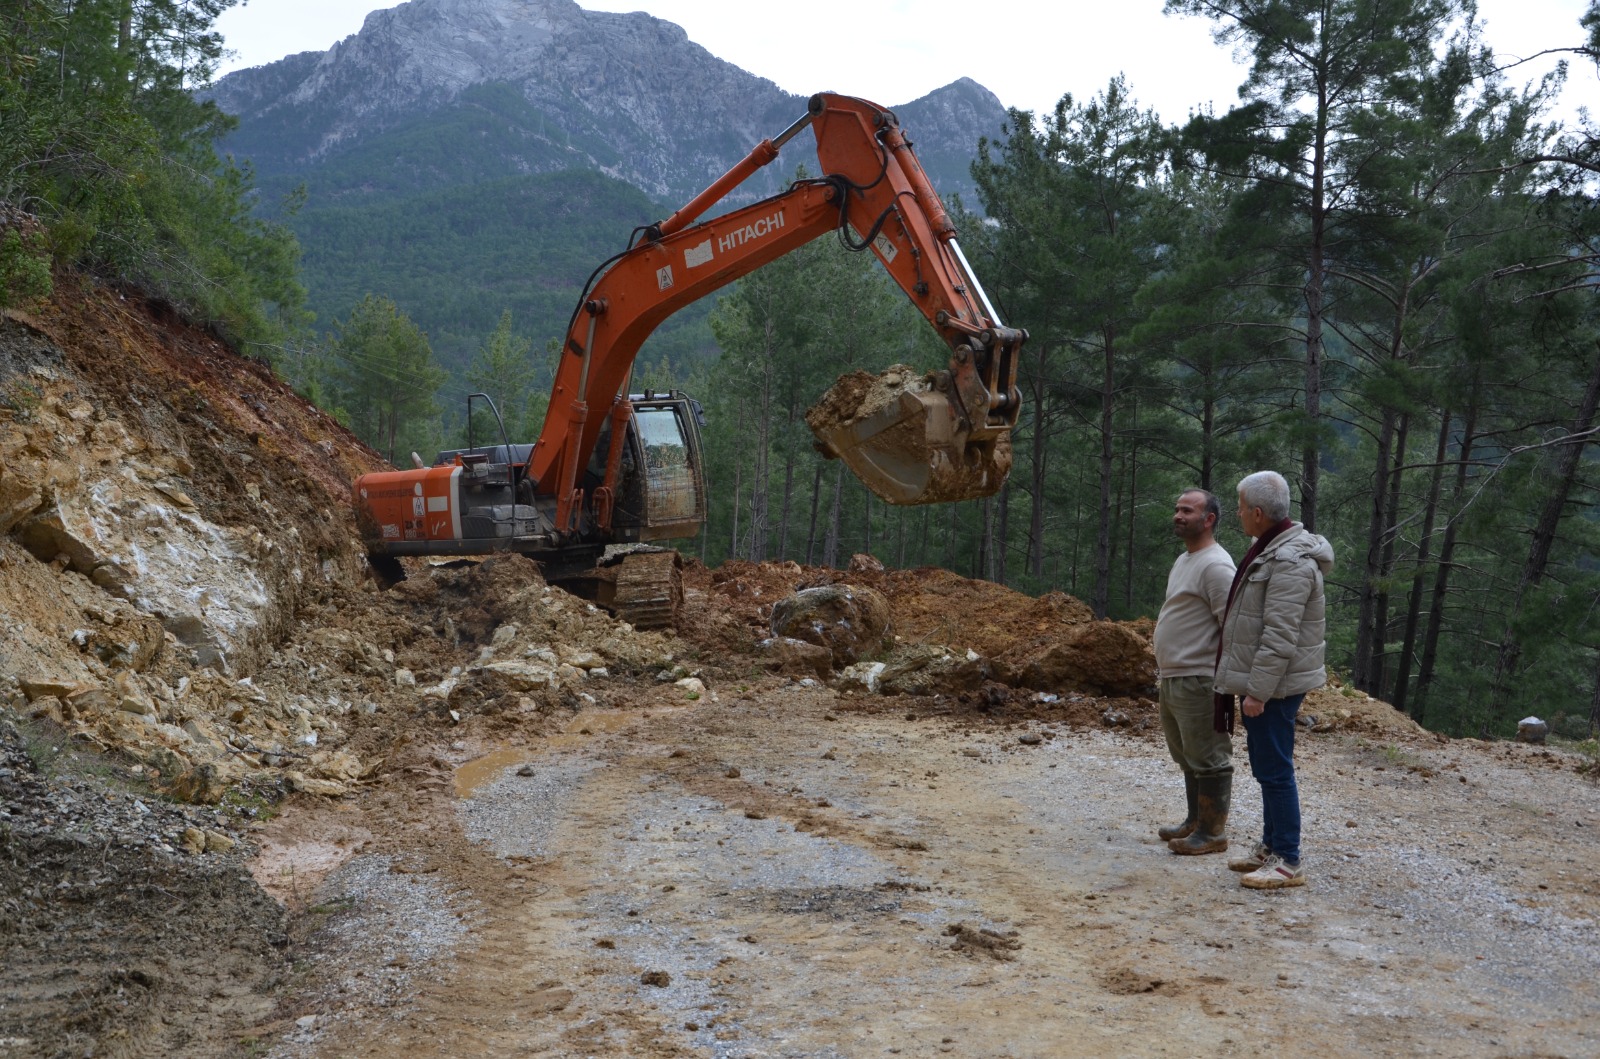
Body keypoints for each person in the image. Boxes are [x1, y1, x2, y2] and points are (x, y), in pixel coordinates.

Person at [1214, 471, 1334, 889]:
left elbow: (1279, 637)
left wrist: (1258, 692)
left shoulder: (1289, 562)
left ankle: (1288, 860)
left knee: (1276, 770)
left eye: (1242, 507)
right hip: (1264, 682)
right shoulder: (1269, 548)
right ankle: (1270, 846)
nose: (1238, 513)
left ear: (1259, 514)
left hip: (1274, 686)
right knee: (1267, 768)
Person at [1152, 489, 1236, 856]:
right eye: (1176, 509)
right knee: (1187, 753)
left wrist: (1229, 679)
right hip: (1174, 675)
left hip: (1201, 677)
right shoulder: (1185, 560)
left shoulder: (1216, 565)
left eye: (1187, 510)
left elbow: (1233, 625)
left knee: (1209, 756)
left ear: (1210, 519)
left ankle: (1212, 832)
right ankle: (1194, 822)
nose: (1178, 515)